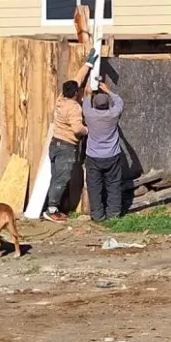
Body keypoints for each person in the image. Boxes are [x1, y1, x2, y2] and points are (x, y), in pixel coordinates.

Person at [45, 55, 96, 222]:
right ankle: (52, 210)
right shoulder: (74, 108)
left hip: (55, 144)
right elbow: (77, 129)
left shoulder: (61, 98)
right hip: (66, 146)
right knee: (62, 178)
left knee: (56, 176)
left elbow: (77, 80)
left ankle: (52, 206)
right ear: (75, 94)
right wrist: (89, 130)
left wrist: (88, 64)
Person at [82, 81, 125, 222]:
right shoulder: (113, 114)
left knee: (94, 186)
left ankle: (97, 215)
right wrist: (108, 91)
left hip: (93, 157)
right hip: (112, 155)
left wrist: (88, 94)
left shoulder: (89, 115)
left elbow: (85, 103)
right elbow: (119, 102)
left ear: (95, 105)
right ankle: (113, 214)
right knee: (113, 185)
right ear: (107, 105)